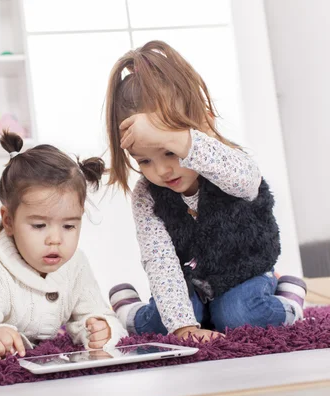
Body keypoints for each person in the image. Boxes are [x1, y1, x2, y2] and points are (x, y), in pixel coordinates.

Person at [104, 41, 307, 342]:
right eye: (144, 160)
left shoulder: (227, 163)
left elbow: (246, 180)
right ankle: (130, 311)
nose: (162, 170)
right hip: (192, 283)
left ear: (205, 126)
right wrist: (184, 326)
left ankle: (289, 297)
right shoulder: (147, 195)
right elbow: (160, 261)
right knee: (165, 321)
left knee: (239, 316)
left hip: (244, 273)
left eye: (170, 152)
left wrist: (178, 139)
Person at [0, 132, 127, 363]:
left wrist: (102, 328)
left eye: (69, 226)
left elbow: (94, 312)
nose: (55, 239)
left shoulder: (75, 264)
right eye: (39, 225)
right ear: (8, 221)